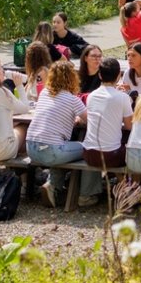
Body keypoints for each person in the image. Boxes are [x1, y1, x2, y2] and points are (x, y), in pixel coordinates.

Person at [26, 61, 99, 207]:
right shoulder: (73, 99)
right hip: (51, 150)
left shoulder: (45, 93)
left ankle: (53, 185)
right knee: (91, 149)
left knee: (61, 147)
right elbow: (92, 121)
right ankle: (86, 195)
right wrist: (79, 119)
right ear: (73, 78)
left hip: (31, 148)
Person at [83, 58, 134, 169]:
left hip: (88, 154)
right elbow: (130, 126)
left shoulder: (91, 96)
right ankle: (131, 185)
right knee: (136, 153)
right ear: (118, 76)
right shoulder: (123, 97)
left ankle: (120, 184)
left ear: (100, 75)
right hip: (110, 156)